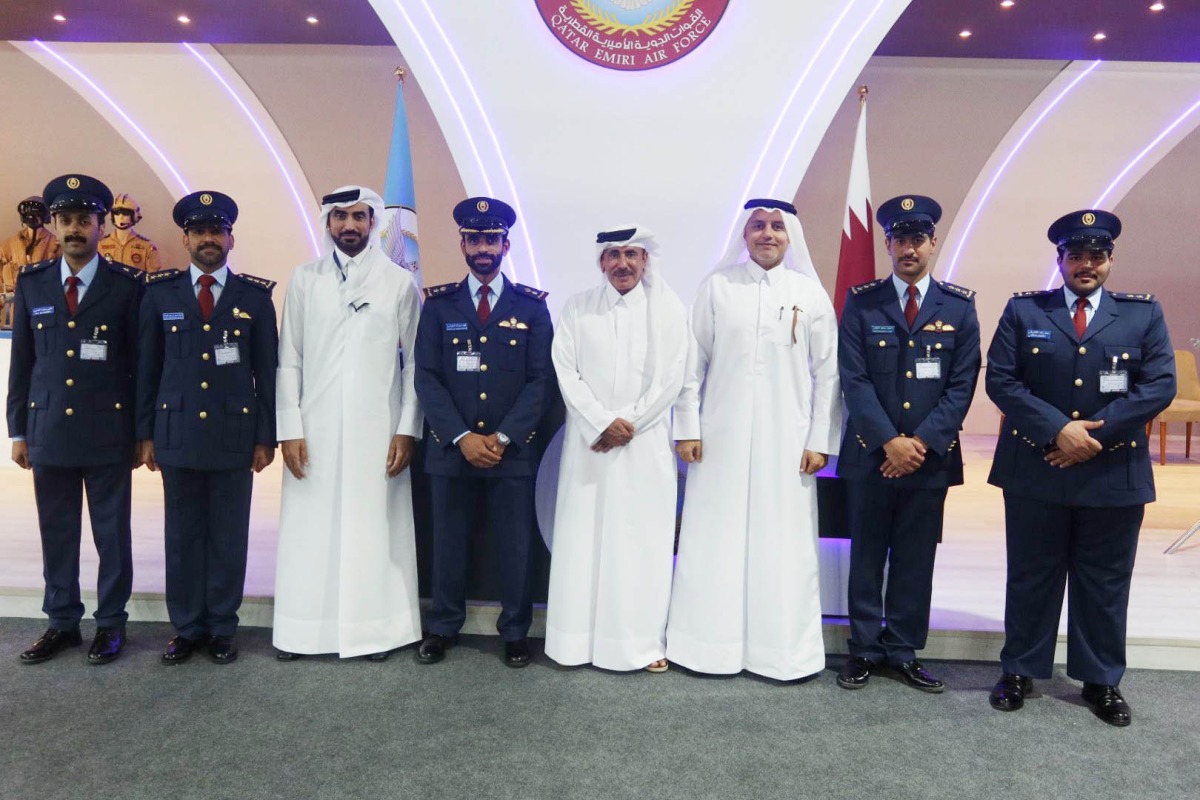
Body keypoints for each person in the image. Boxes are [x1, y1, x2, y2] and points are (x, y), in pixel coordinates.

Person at [985, 209, 1175, 727]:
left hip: (1112, 470)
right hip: (1036, 468)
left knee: (1105, 580)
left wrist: (1094, 436)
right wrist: (1059, 430)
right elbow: (1002, 380)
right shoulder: (1026, 312)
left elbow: (1159, 385)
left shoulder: (1142, 314)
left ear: (1110, 260)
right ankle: (1021, 670)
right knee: (1031, 574)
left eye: (1097, 255)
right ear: (1060, 260)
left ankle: (1101, 681)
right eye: (1076, 256)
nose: (1086, 264)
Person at [667, 198, 841, 681]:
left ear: (791, 237)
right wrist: (687, 428)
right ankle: (707, 648)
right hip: (718, 440)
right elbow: (691, 364)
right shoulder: (717, 288)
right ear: (744, 236)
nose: (768, 234)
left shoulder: (809, 293)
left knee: (782, 543)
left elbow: (829, 374)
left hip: (788, 445)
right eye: (759, 226)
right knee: (713, 539)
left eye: (778, 227)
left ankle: (781, 653)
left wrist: (820, 439)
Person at [835, 195, 981, 693]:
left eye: (918, 239)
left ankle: (901, 649)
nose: (909, 248)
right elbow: (853, 380)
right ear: (887, 244)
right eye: (900, 239)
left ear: (933, 243)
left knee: (917, 558)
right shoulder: (862, 300)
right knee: (867, 556)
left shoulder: (959, 306)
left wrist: (918, 444)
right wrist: (889, 443)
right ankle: (863, 649)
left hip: (929, 458)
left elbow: (962, 385)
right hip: (871, 453)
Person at [272, 186, 424, 661]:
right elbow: (289, 359)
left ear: (374, 222)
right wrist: (289, 428)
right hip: (312, 431)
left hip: (378, 431)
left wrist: (407, 427)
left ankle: (373, 632)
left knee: (373, 531)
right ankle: (303, 633)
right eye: (340, 217)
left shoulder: (398, 282)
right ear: (328, 223)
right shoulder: (304, 279)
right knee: (310, 531)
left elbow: (417, 363)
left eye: (358, 217)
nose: (349, 226)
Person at [136, 191, 278, 665]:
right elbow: (146, 369)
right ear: (186, 239)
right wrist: (146, 433)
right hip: (175, 435)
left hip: (233, 438)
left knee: (228, 535)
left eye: (217, 231)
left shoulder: (254, 298)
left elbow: (268, 372)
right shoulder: (159, 294)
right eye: (200, 232)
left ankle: (221, 626)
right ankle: (186, 628)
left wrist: (265, 436)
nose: (209, 239)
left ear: (231, 238)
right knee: (181, 536)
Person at [7, 174, 142, 665]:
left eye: (84, 220)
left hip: (109, 430)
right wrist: (18, 429)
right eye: (65, 220)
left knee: (112, 535)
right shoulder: (32, 283)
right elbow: (22, 363)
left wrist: (141, 432)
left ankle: (111, 624)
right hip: (49, 432)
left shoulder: (127, 287)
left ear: (101, 226)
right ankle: (61, 622)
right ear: (54, 225)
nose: (73, 229)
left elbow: (140, 365)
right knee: (57, 531)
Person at [413, 197, 553, 668]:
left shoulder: (531, 308)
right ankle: (442, 627)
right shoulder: (438, 306)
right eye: (474, 239)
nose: (482, 248)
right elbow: (426, 378)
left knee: (516, 547)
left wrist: (504, 437)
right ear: (463, 244)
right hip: (452, 451)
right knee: (447, 542)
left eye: (491, 239)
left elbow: (540, 381)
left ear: (506, 244)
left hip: (510, 453)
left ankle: (515, 631)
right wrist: (461, 437)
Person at [545, 225, 688, 673]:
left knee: (639, 543)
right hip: (589, 448)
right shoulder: (577, 308)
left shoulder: (667, 310)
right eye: (613, 255)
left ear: (645, 261)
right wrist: (603, 423)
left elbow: (673, 378)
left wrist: (631, 424)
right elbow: (565, 371)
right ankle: (574, 643)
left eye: (631, 254)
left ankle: (639, 645)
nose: (622, 263)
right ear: (601, 262)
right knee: (582, 541)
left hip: (643, 449)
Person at [1, 196, 61, 323]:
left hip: (43, 308)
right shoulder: (9, 245)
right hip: (11, 310)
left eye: (36, 214)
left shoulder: (56, 246)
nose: (32, 218)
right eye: (28, 214)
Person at [98, 193, 163, 273]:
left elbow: (152, 277)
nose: (120, 216)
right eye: (117, 212)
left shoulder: (147, 246)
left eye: (125, 213)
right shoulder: (101, 244)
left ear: (134, 216)